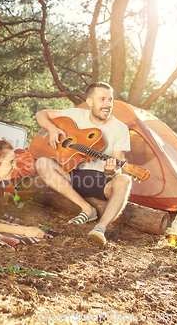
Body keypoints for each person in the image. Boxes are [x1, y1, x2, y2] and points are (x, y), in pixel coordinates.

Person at [34, 82, 131, 245]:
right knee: (42, 163)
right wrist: (52, 128)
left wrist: (110, 172)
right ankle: (87, 209)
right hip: (71, 175)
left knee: (125, 180)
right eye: (102, 99)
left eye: (110, 100)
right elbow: (40, 114)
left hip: (101, 181)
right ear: (90, 102)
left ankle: (100, 228)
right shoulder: (76, 115)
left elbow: (117, 167)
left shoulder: (120, 129)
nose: (108, 104)